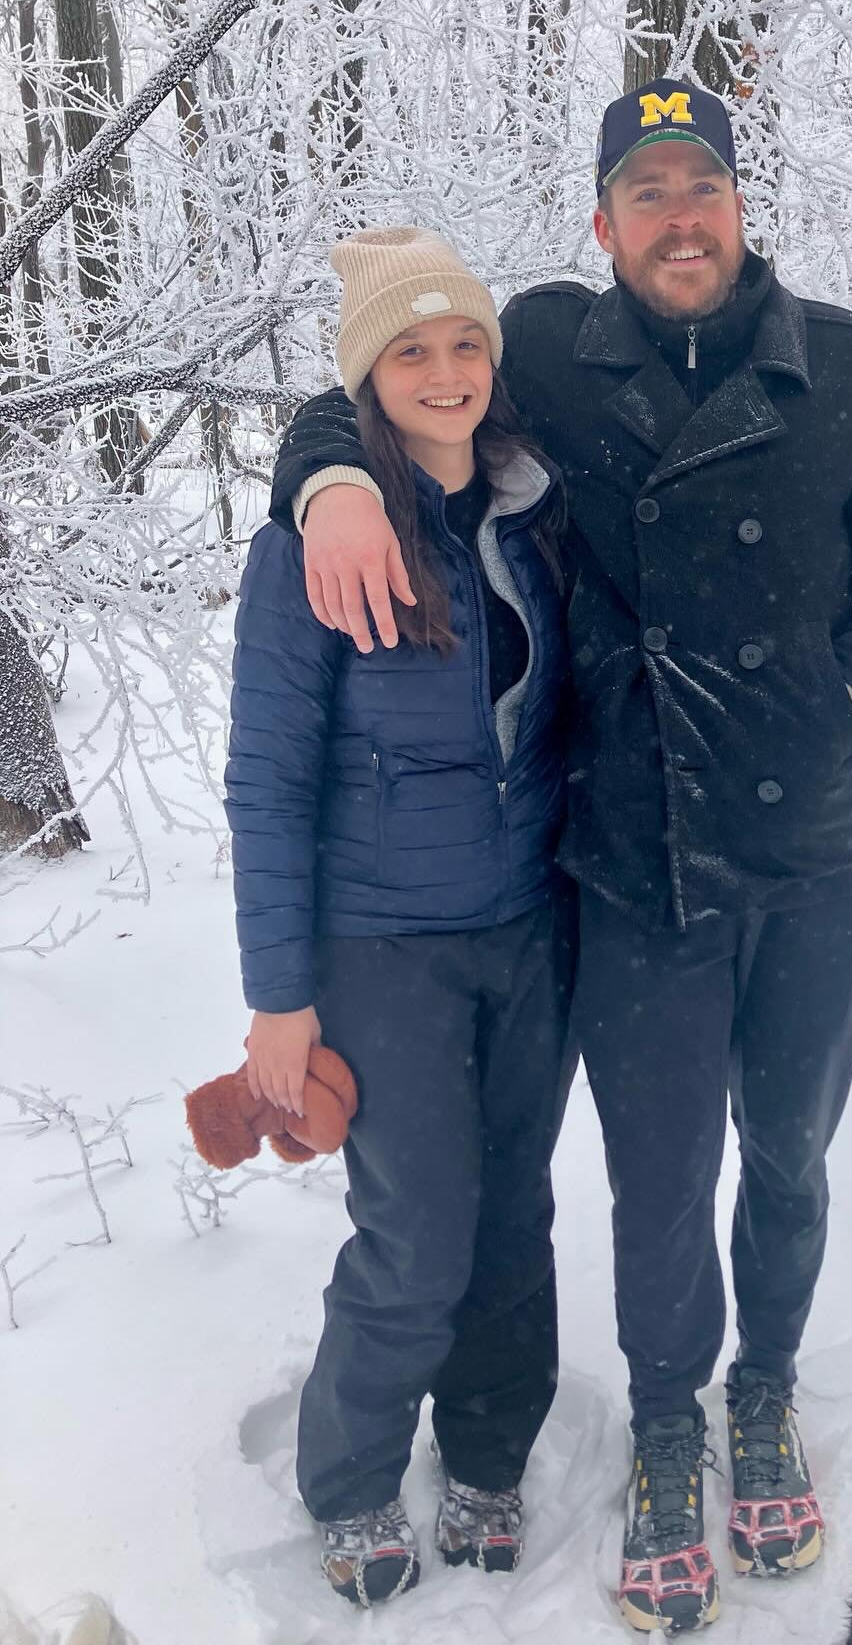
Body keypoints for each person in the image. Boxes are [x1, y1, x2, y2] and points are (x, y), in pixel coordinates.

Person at [266, 81, 852, 1634]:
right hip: (630, 858)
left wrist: (842, 698)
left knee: (787, 1154)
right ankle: (666, 1423)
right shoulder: (550, 361)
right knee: (660, 1183)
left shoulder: (842, 366)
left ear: (738, 205)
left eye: (699, 186)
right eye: (644, 194)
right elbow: (388, 386)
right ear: (603, 224)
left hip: (811, 855)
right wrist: (320, 479)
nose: (678, 219)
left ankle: (764, 1389)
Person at [226, 228, 574, 1608]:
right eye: (411, 349)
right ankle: (356, 1478)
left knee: (513, 1220)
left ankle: (490, 1452)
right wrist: (278, 990)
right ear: (367, 377)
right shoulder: (313, 541)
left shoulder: (533, 512)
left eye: (466, 342)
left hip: (527, 929)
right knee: (417, 1229)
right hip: (381, 946)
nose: (446, 371)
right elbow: (266, 779)